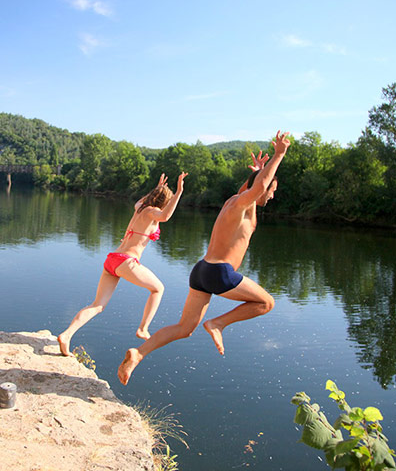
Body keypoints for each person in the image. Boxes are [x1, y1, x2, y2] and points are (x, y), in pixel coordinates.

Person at [118, 130, 290, 385]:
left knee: (184, 328)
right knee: (266, 303)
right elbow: (260, 186)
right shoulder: (240, 204)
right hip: (220, 272)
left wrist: (257, 170)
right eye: (272, 189)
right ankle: (218, 324)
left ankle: (138, 354)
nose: (272, 195)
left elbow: (256, 185)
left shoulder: (238, 202)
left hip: (201, 271)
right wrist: (279, 155)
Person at [57, 172, 189, 357]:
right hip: (127, 261)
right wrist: (179, 192)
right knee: (158, 289)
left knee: (97, 305)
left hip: (112, 260)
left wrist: (158, 187)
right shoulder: (151, 213)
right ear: (164, 202)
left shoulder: (139, 208)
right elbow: (166, 216)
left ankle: (66, 335)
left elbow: (144, 201)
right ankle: (143, 328)